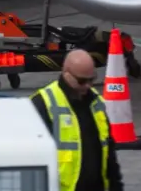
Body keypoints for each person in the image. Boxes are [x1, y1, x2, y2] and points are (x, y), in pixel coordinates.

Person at [30, 49, 124, 191]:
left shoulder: (96, 102)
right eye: (82, 81)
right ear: (66, 74)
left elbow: (109, 154)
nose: (88, 86)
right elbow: (32, 162)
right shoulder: (42, 104)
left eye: (92, 80)